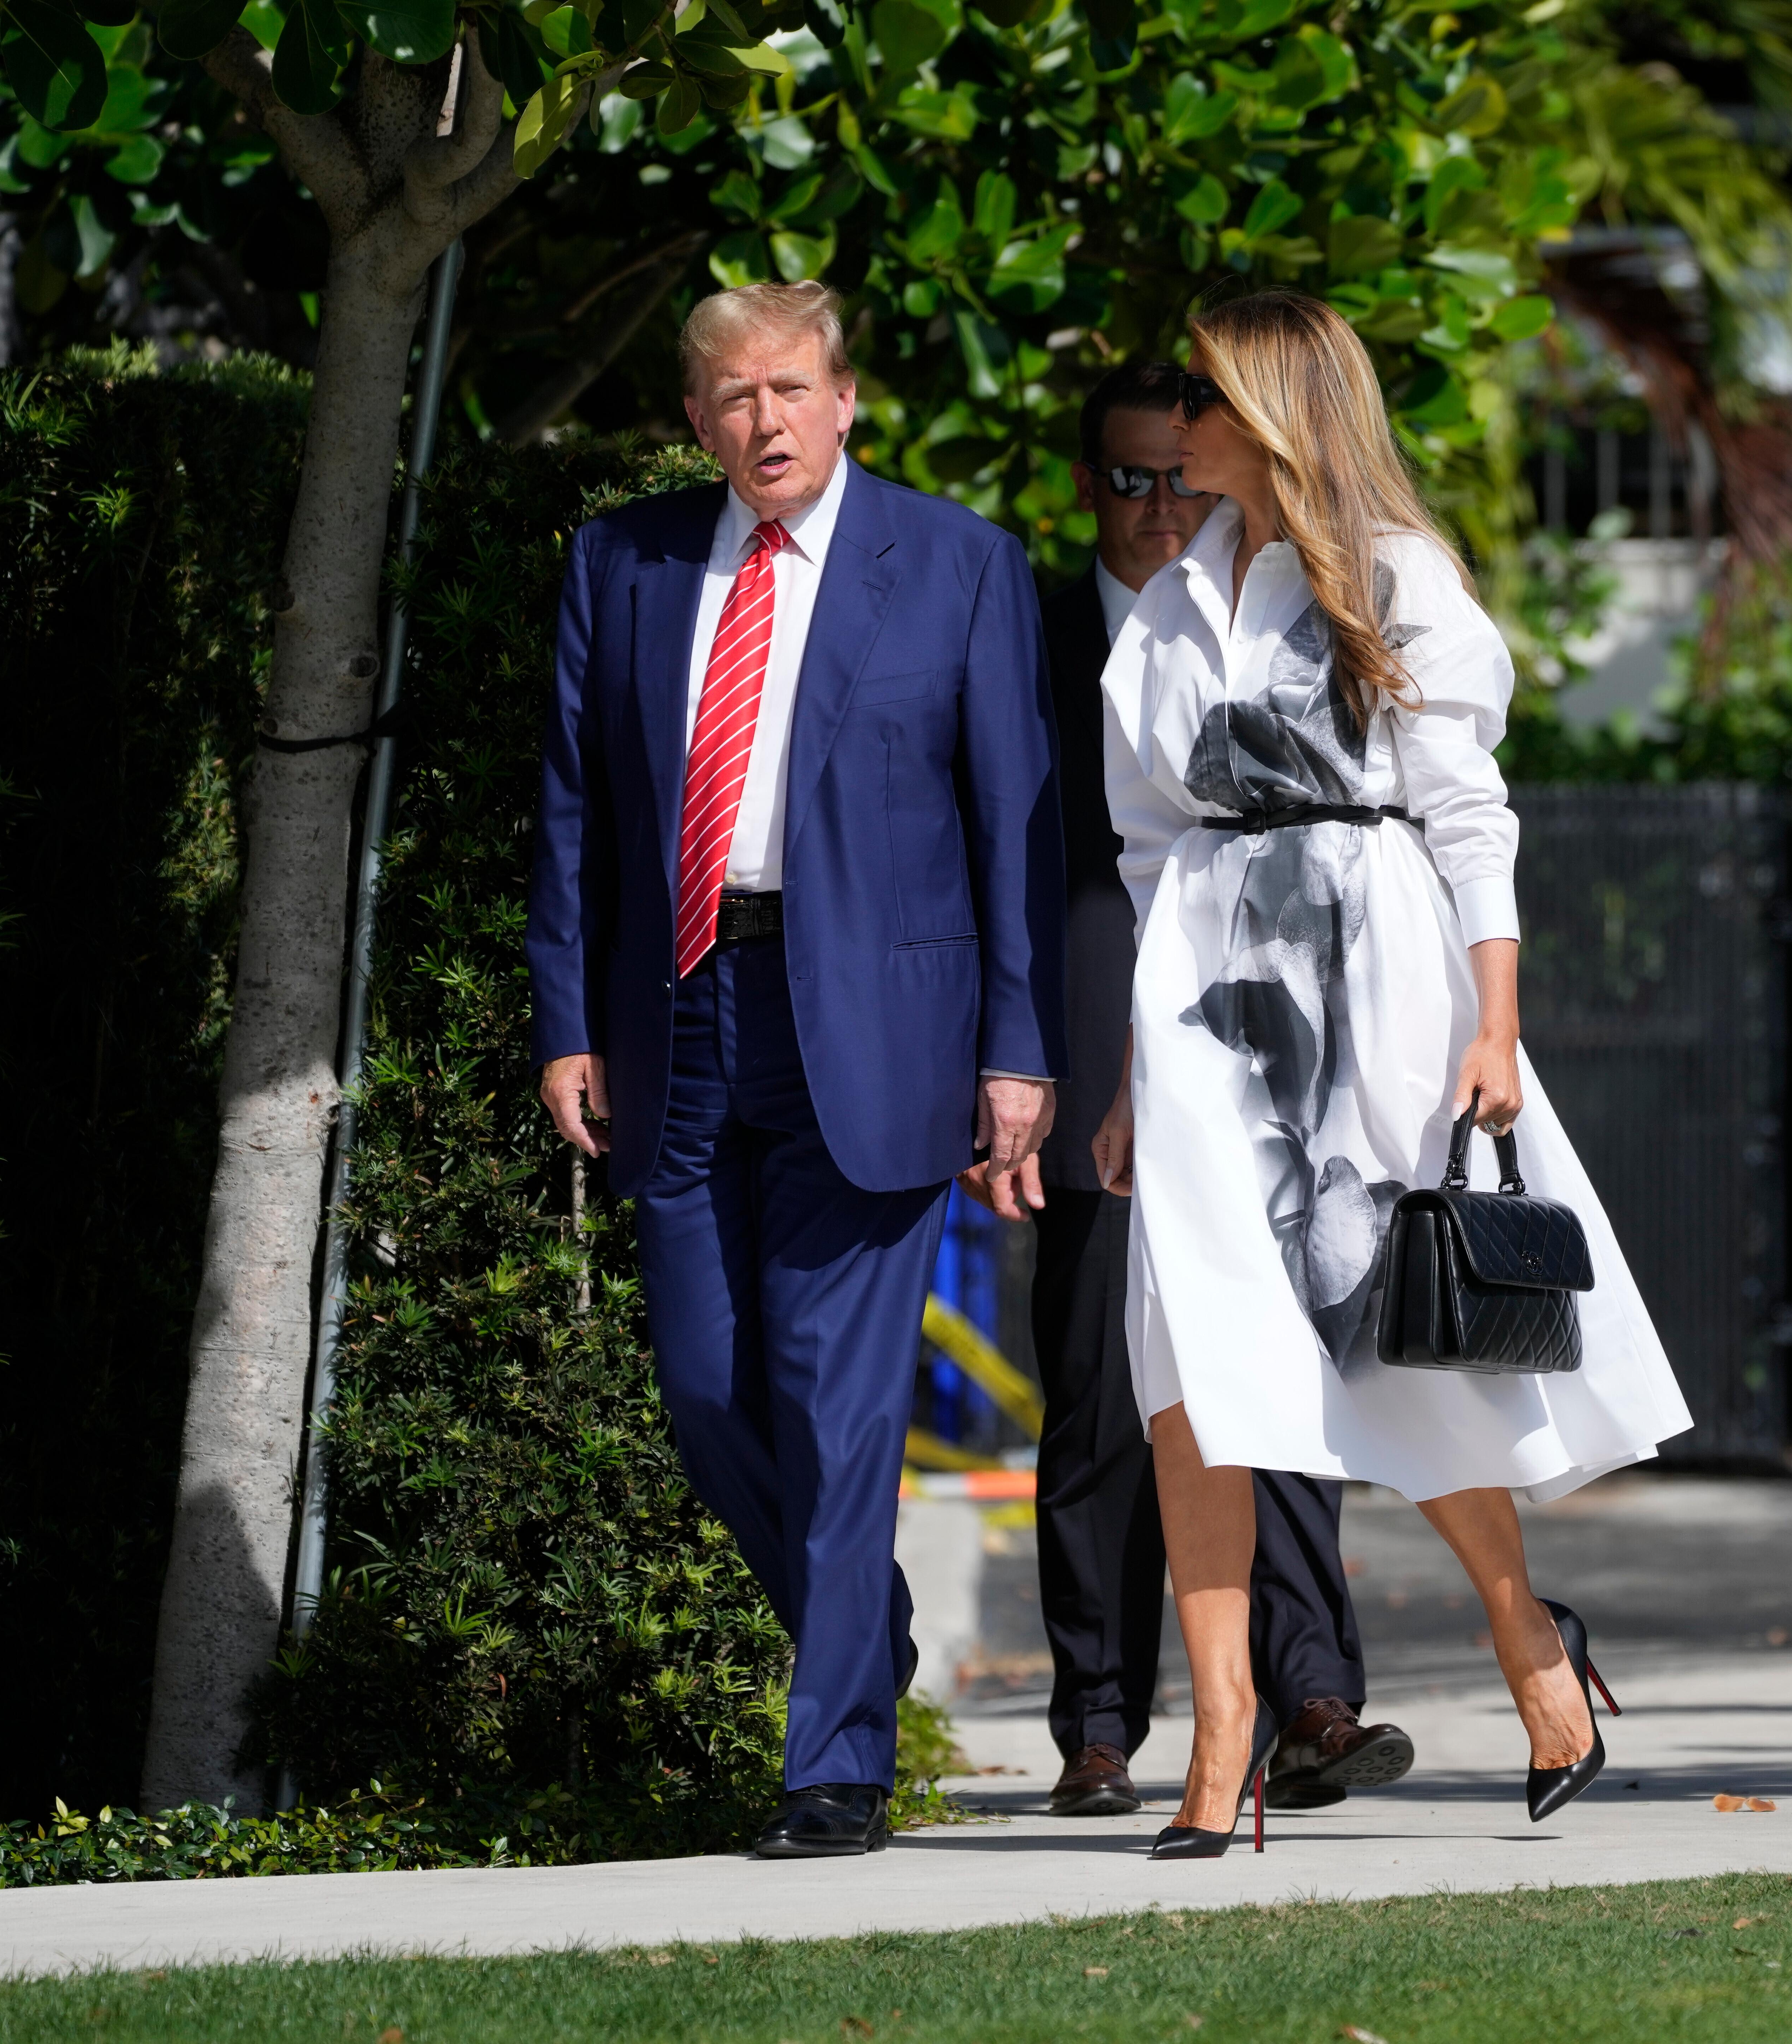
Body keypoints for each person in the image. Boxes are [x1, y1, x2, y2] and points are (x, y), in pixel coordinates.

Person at [1091, 291, 1690, 1857]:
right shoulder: (1162, 605)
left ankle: (1529, 1647)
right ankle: (1223, 1740)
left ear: (1274, 408)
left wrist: (1495, 1023)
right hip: (1206, 1007)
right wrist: (1130, 1078)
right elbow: (1151, 850)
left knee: (1406, 1339)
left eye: (1202, 396)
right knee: (1188, 1372)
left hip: (1383, 983)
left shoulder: (1400, 577)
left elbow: (1470, 818)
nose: (1176, 423)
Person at [528, 281, 1065, 1859]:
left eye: (789, 387)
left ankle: (833, 1765)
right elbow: (574, 812)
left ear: (847, 401)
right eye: (729, 397)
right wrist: (568, 1018)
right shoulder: (621, 565)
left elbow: (1011, 828)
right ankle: (863, 1622)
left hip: (877, 1036)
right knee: (707, 1389)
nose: (762, 420)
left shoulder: (958, 566)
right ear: (694, 423)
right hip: (675, 1018)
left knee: (840, 1414)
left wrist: (1017, 1050)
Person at [991, 361, 1413, 1820]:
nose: (1162, 507)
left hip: (1272, 1046)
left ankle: (1311, 1696)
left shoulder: (1285, 609)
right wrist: (1016, 1068)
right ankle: (1100, 1724)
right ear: (1085, 487)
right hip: (1097, 1059)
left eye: (1185, 475)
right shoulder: (1030, 642)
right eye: (1130, 479)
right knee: (1106, 1394)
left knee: (1284, 1365)